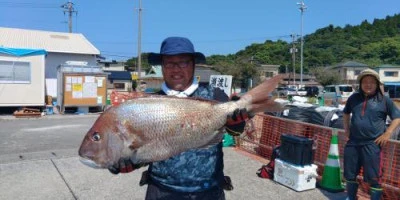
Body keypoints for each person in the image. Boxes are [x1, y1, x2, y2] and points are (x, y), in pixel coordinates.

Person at [108, 36, 248, 200]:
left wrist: (238, 122)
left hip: (208, 191)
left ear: (194, 65)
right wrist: (129, 160)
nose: (176, 69)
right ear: (162, 67)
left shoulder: (215, 95)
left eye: (183, 62)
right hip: (161, 190)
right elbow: (147, 150)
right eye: (169, 63)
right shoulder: (148, 105)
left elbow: (236, 133)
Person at [343, 69, 400, 200]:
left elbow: (397, 118)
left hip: (373, 144)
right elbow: (346, 113)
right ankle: (351, 197)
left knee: (374, 177)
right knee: (350, 173)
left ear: (377, 84)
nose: (368, 85)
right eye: (365, 82)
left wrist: (388, 133)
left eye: (371, 82)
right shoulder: (353, 98)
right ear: (360, 84)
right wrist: (346, 129)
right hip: (353, 142)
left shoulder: (385, 100)